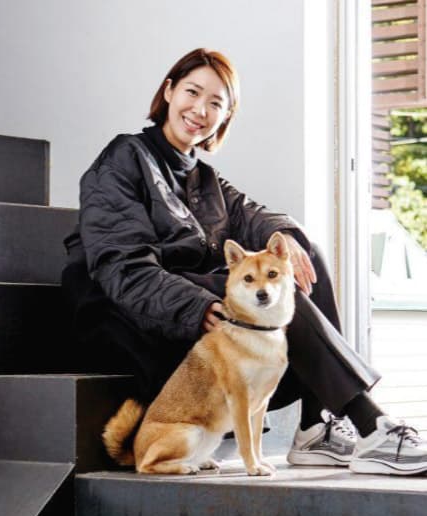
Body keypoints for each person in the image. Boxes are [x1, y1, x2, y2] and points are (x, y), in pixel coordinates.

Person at [62, 47, 427, 476]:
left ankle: (316, 427)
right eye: (192, 92)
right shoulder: (124, 158)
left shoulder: (204, 178)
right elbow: (122, 267)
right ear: (169, 91)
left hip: (186, 303)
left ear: (225, 116)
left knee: (303, 254)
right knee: (263, 295)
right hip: (122, 313)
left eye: (215, 103)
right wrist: (194, 305)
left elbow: (254, 216)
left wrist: (290, 240)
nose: (200, 110)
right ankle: (371, 423)